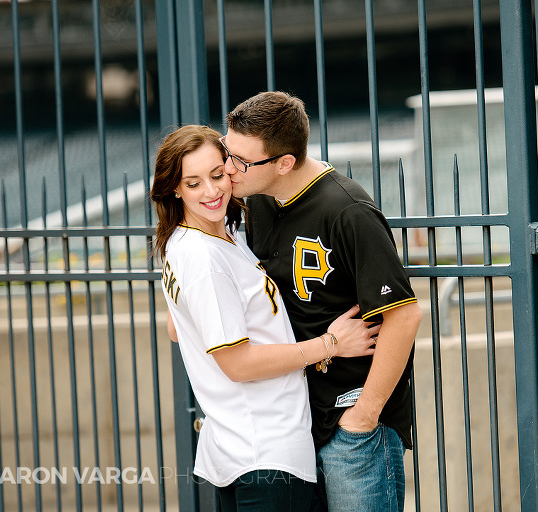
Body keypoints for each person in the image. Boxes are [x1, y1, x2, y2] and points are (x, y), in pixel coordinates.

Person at [150, 124, 379, 512]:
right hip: (264, 451)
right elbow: (237, 364)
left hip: (242, 447)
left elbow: (178, 328)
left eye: (217, 175)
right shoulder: (205, 257)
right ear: (174, 188)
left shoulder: (204, 237)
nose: (211, 191)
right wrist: (331, 344)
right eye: (193, 183)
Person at [221, 91, 423, 512]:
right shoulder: (257, 200)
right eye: (227, 151)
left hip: (352, 426)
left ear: (284, 163)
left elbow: (404, 316)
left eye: (240, 161)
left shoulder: (348, 210)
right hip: (294, 423)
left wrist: (364, 416)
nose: (228, 169)